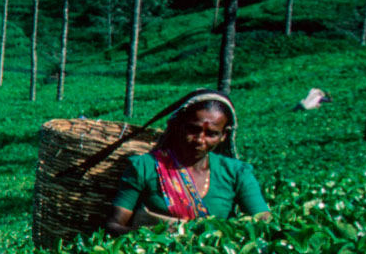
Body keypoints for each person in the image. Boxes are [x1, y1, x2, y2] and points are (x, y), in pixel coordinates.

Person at [104, 91, 268, 236]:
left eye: (211, 134)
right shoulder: (145, 166)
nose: (200, 140)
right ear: (179, 126)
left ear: (223, 136)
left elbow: (263, 223)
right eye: (193, 129)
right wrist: (153, 235)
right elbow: (113, 225)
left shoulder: (237, 172)